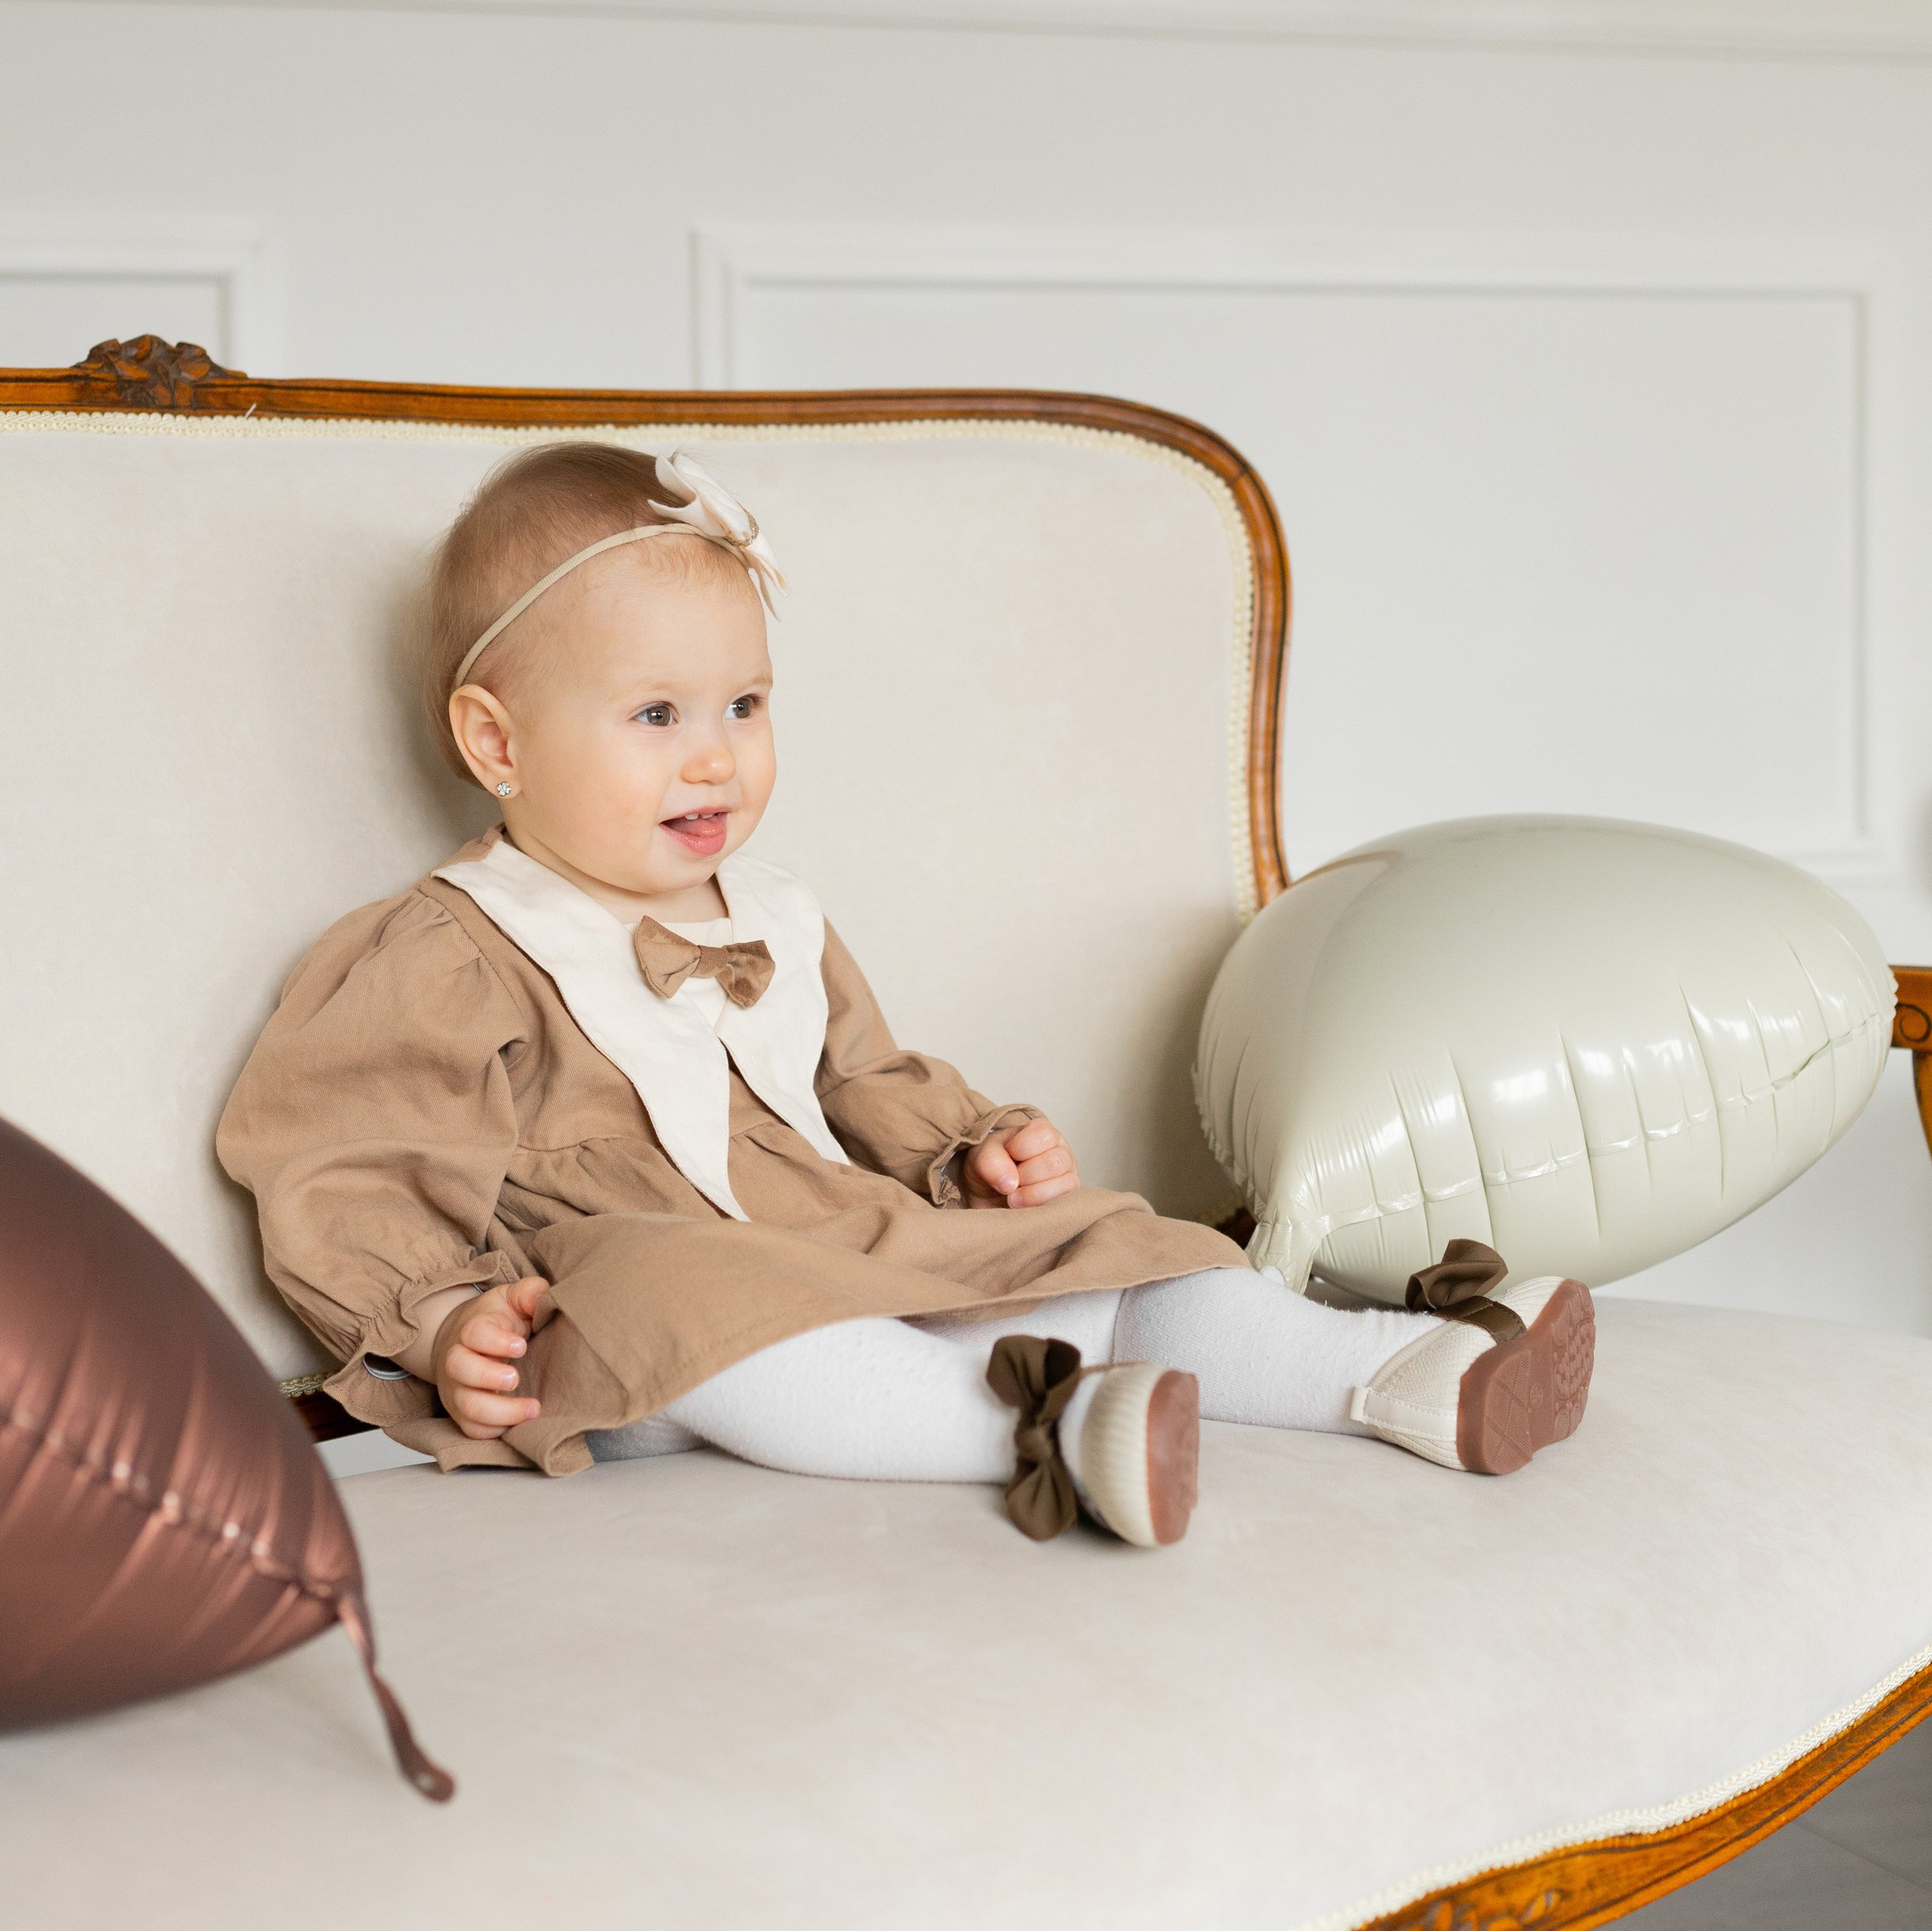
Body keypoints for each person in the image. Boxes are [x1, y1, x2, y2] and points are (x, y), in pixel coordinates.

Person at [220, 444, 1593, 1548]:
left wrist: (970, 1150)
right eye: (657, 718)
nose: (716, 763)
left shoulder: (778, 916)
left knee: (1111, 1247)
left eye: (744, 707)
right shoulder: (449, 948)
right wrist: (444, 1319)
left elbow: (861, 1082)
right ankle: (1037, 1432)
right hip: (643, 1312)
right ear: (496, 739)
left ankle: (1393, 1374)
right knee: (688, 1287)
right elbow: (352, 1164)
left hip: (851, 1249)